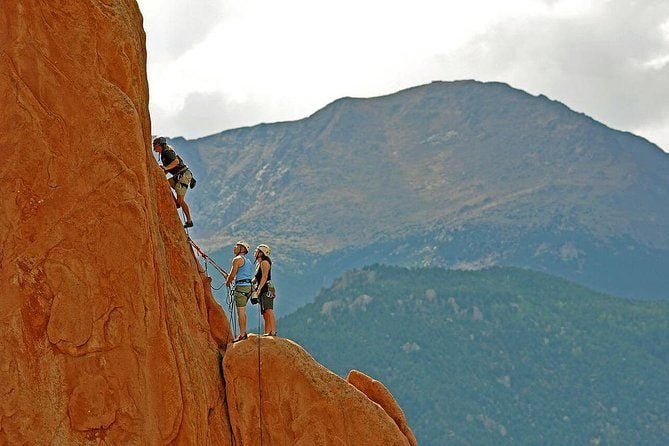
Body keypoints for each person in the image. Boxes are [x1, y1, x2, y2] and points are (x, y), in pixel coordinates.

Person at [152, 136, 194, 228]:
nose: (154, 148)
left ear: (161, 145)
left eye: (155, 145)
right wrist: (161, 174)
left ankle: (189, 221)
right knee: (165, 184)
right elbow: (169, 167)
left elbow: (175, 162)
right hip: (178, 176)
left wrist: (165, 168)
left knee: (180, 199)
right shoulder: (163, 154)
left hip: (183, 175)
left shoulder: (167, 152)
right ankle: (176, 203)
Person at [226, 241, 253, 342]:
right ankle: (243, 332)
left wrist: (228, 282)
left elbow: (232, 275)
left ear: (242, 248)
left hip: (241, 288)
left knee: (240, 312)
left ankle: (242, 334)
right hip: (248, 287)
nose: (234, 247)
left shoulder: (237, 259)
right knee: (243, 311)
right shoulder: (248, 261)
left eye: (237, 246)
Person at [254, 244, 277, 336]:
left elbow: (264, 277)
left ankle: (273, 331)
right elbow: (257, 278)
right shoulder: (259, 263)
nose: (255, 251)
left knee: (268, 310)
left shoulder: (264, 262)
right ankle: (267, 332)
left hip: (266, 289)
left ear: (261, 253)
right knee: (264, 312)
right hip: (263, 288)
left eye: (257, 250)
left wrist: (259, 289)